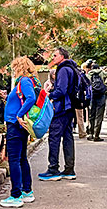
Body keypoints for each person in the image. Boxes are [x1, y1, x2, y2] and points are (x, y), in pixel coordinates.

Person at [1, 57, 39, 208]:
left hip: (15, 125)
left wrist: (18, 115)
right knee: (22, 158)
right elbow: (23, 99)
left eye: (14, 67)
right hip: (20, 125)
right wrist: (7, 97)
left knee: (14, 160)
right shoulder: (28, 81)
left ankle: (16, 195)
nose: (12, 71)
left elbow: (30, 98)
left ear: (19, 67)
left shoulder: (24, 81)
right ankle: (27, 191)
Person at [39, 47, 78, 181]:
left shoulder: (62, 69)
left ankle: (53, 169)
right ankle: (69, 169)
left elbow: (61, 90)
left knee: (54, 137)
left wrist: (50, 94)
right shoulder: (72, 68)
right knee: (68, 137)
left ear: (62, 56)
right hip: (70, 108)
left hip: (61, 108)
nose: (53, 58)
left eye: (55, 55)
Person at [86, 63, 107, 141]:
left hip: (93, 95)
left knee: (92, 115)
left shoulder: (89, 74)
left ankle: (90, 134)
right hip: (102, 94)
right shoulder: (102, 72)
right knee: (99, 115)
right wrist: (103, 69)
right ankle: (96, 135)